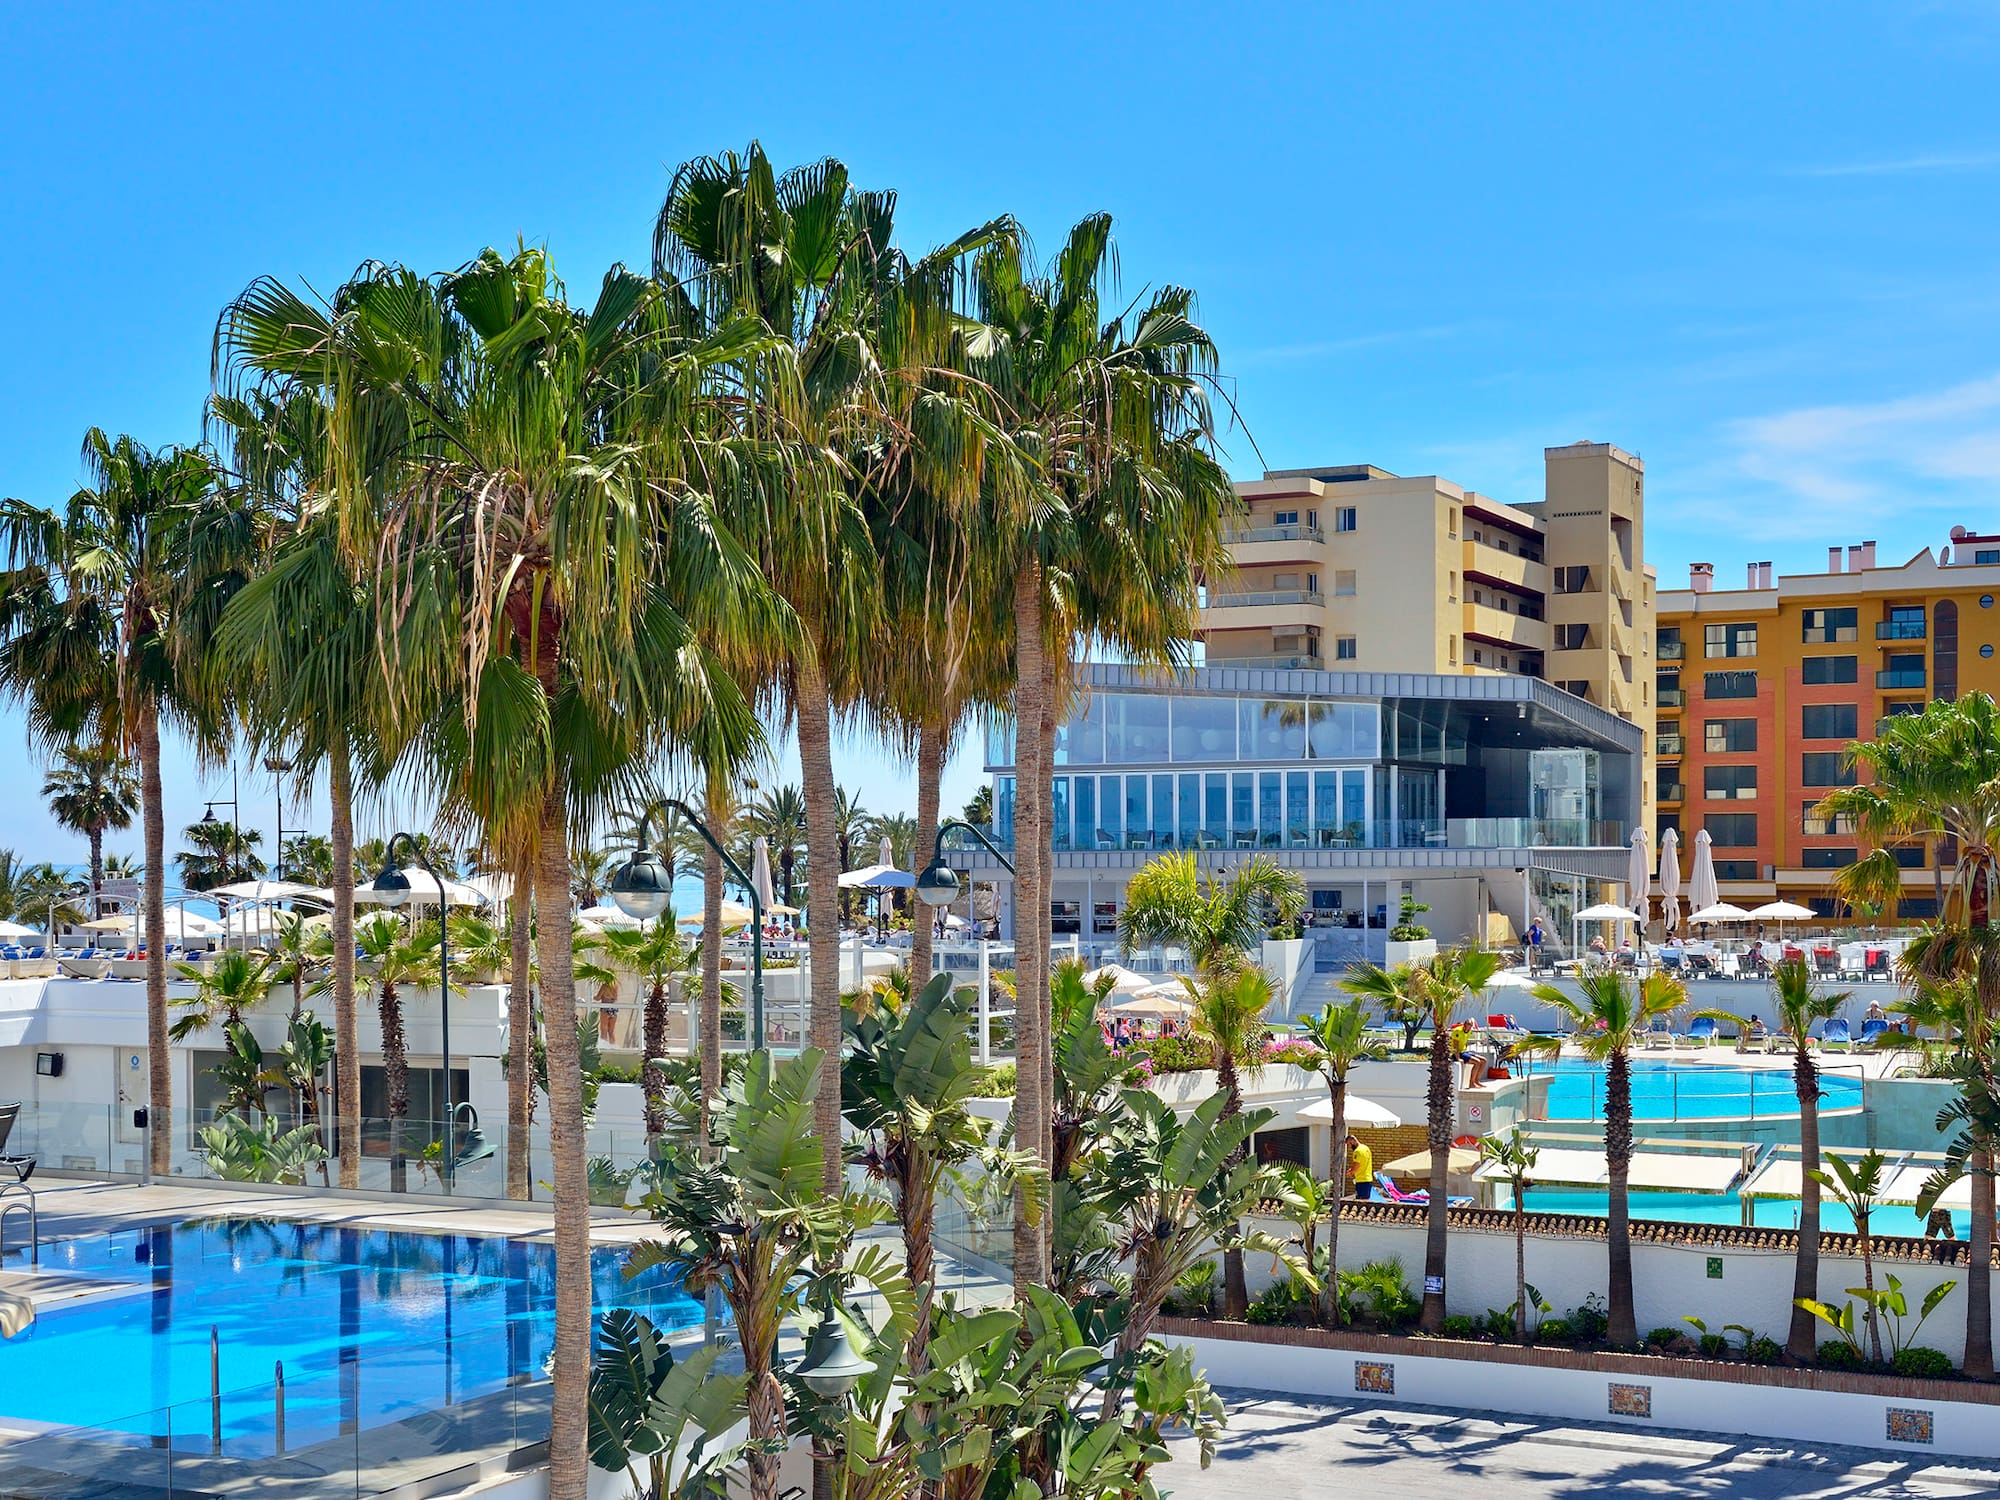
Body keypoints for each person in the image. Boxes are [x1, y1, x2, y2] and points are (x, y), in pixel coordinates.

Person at [1346, 1133, 1374, 1200]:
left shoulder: (1357, 1151)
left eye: (1348, 1144)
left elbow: (1355, 1167)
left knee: (1360, 1202)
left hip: (1361, 1180)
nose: (1349, 1147)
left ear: (1352, 1141)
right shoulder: (1366, 1148)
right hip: (1368, 1178)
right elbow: (1362, 1163)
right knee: (1365, 1201)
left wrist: (1350, 1173)